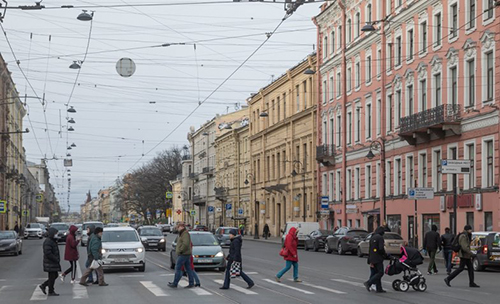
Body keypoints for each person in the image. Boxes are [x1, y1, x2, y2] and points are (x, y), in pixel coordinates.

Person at [168, 222, 195, 288]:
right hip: (186, 253)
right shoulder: (182, 234)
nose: (177, 228)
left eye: (178, 227)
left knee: (178, 268)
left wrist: (180, 250)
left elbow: (185, 244)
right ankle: (191, 283)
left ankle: (175, 283)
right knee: (188, 269)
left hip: (183, 254)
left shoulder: (184, 234)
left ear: (182, 227)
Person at [39, 227, 61, 296]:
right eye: (55, 234)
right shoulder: (48, 241)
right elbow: (48, 253)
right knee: (52, 276)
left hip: (52, 262)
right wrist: (55, 259)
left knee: (54, 276)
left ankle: (45, 286)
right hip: (50, 262)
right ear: (52, 234)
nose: (56, 235)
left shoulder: (52, 240)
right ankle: (50, 290)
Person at [364, 226, 386, 293]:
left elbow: (370, 249)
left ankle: (379, 288)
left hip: (372, 258)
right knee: (380, 272)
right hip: (378, 258)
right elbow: (381, 248)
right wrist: (385, 254)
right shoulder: (380, 238)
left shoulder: (372, 237)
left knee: (376, 273)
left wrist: (370, 260)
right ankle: (369, 282)